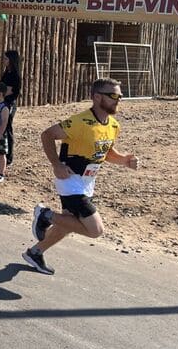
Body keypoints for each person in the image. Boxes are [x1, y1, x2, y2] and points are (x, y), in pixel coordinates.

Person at [25, 78, 138, 276]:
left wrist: (124, 160)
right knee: (95, 230)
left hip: (87, 182)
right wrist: (56, 164)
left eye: (120, 96)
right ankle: (45, 215)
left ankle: (35, 252)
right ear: (97, 97)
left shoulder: (113, 125)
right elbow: (47, 135)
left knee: (68, 223)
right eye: (113, 96)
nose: (118, 100)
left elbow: (105, 152)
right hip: (70, 181)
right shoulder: (80, 122)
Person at [0, 50, 21, 165]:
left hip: (9, 104)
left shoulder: (14, 75)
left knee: (7, 129)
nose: (4, 60)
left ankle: (9, 157)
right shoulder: (7, 72)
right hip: (3, 102)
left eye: (6, 59)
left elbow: (9, 91)